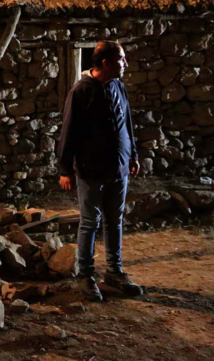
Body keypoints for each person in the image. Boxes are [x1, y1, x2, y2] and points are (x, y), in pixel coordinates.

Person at [57, 40, 144, 302]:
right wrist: (65, 169)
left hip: (118, 167)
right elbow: (68, 131)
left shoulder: (118, 86)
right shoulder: (82, 91)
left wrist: (133, 155)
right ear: (106, 63)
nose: (126, 64)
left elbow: (126, 122)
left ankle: (114, 273)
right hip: (91, 168)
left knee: (114, 220)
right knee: (89, 222)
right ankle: (86, 274)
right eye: (121, 60)